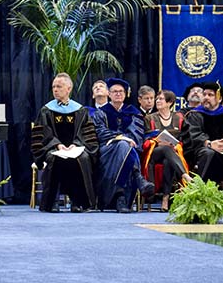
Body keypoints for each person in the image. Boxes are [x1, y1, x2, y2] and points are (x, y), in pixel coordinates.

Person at [33, 73, 98, 212]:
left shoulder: (80, 110)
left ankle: (78, 202)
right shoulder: (46, 110)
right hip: (53, 149)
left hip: (77, 149)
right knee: (53, 158)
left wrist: (76, 144)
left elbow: (88, 134)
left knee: (83, 158)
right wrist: (56, 144)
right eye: (54, 87)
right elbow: (42, 133)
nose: (55, 89)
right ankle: (53, 202)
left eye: (59, 86)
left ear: (69, 89)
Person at [93, 77, 154, 213]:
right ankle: (138, 178)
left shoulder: (133, 113)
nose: (118, 94)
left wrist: (124, 141)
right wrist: (121, 138)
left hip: (128, 150)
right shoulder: (101, 112)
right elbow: (100, 133)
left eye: (121, 91)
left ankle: (120, 195)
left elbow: (137, 136)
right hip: (107, 150)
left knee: (124, 147)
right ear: (109, 94)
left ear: (126, 94)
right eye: (114, 91)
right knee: (123, 146)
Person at [142, 90, 191, 211]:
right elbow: (145, 139)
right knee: (165, 148)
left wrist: (177, 145)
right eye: (157, 99)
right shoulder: (150, 118)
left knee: (167, 161)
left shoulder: (179, 119)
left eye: (161, 99)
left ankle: (165, 198)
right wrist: (156, 142)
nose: (157, 101)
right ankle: (184, 174)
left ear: (170, 102)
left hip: (172, 153)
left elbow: (186, 140)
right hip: (153, 153)